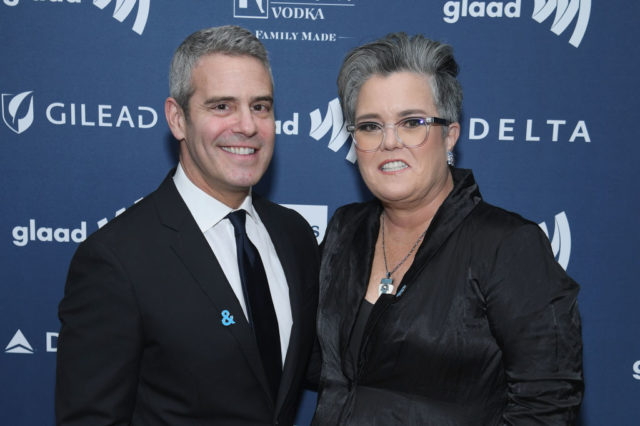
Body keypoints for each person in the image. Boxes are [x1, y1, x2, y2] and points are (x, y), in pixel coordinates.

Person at [312, 33, 583, 425]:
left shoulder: (507, 246)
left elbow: (548, 405)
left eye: (412, 122)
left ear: (450, 134)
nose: (389, 141)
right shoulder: (344, 230)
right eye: (370, 126)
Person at [55, 25, 319, 426]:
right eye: (221, 107)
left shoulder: (294, 235)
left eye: (261, 106)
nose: (247, 126)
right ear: (178, 119)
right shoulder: (116, 260)